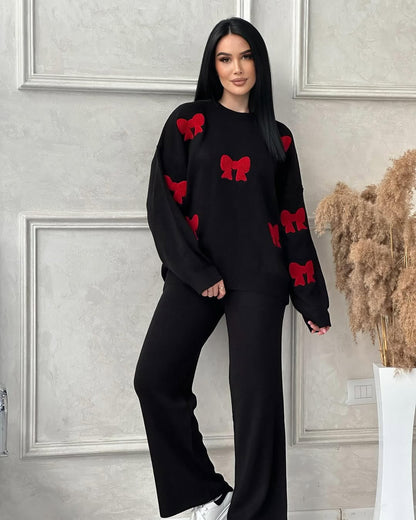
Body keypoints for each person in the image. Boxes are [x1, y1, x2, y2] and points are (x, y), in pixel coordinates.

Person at [134, 16, 331, 520]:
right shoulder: (188, 122)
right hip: (198, 274)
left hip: (261, 279)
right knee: (155, 378)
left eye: (245, 57)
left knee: (256, 404)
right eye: (225, 58)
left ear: (258, 64)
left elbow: (292, 219)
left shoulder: (278, 138)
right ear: (213, 65)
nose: (236, 68)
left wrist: (311, 298)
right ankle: (205, 494)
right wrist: (198, 273)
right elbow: (163, 205)